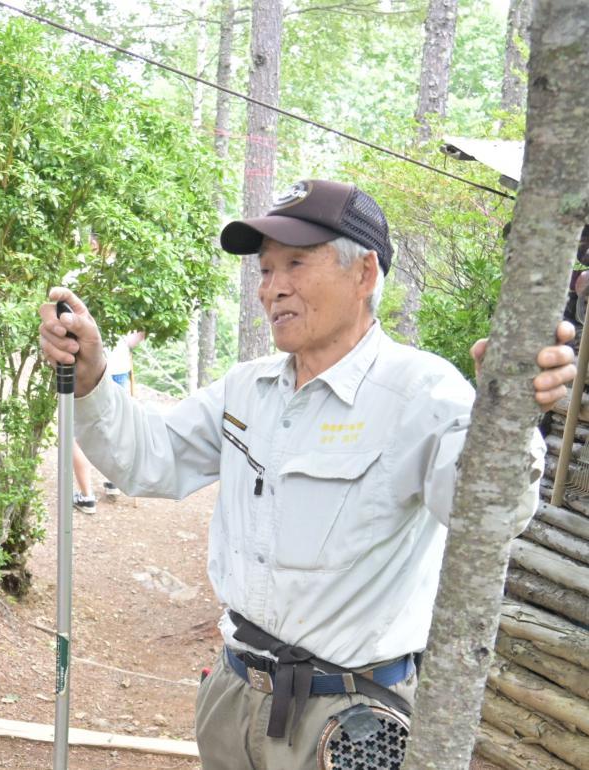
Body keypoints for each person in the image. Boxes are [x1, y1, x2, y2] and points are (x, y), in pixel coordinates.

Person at [38, 179, 576, 769]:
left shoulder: (422, 393)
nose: (272, 287)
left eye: (295, 263)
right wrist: (92, 378)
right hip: (233, 695)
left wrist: (507, 421)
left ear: (364, 273)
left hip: (349, 719)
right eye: (266, 269)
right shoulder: (248, 388)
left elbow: (486, 512)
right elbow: (150, 458)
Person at [72, 331, 145, 513]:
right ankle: (114, 481)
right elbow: (141, 331)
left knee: (76, 435)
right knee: (115, 428)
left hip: (89, 371)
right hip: (119, 368)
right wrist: (125, 343)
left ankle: (87, 497)